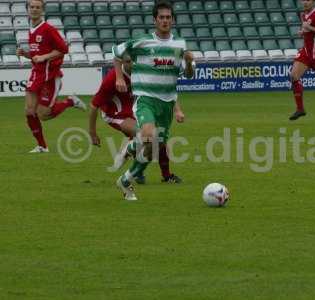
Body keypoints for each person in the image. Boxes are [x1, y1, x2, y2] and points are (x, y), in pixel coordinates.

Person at [112, 0, 195, 200]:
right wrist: (119, 77)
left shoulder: (180, 45)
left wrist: (190, 62)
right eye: (161, 17)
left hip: (166, 104)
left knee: (151, 150)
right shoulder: (142, 42)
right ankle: (131, 147)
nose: (165, 21)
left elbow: (190, 75)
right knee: (149, 135)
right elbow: (117, 52)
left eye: (168, 17)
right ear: (154, 20)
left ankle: (125, 180)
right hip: (146, 98)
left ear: (173, 20)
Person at [89, 56, 184, 184]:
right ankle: (128, 152)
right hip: (115, 114)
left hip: (136, 109)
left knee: (159, 139)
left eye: (134, 61)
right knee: (147, 136)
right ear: (121, 63)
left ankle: (166, 176)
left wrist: (177, 110)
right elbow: (94, 106)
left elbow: (165, 89)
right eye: (128, 61)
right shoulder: (111, 79)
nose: (132, 64)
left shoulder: (143, 72)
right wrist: (92, 133)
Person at [16, 0, 86, 153]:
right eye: (32, 7)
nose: (34, 10)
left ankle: (70, 101)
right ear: (28, 9)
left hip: (50, 77)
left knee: (43, 115)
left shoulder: (48, 29)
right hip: (36, 74)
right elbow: (36, 56)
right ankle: (42, 146)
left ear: (42, 11)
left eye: (37, 7)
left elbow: (63, 49)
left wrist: (45, 57)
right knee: (29, 111)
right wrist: (26, 54)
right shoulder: (31, 29)